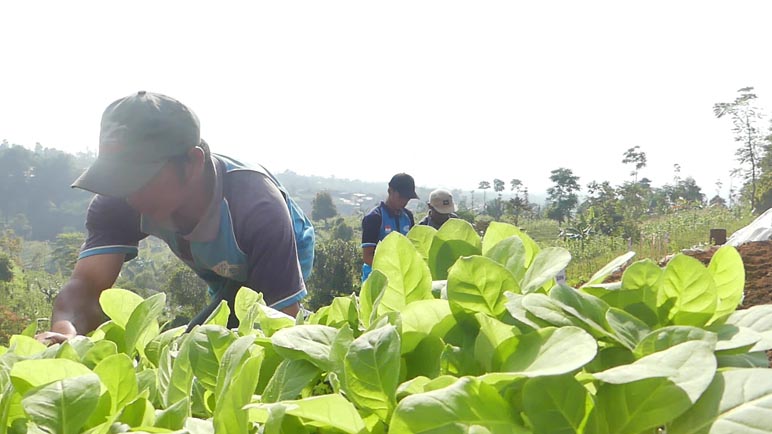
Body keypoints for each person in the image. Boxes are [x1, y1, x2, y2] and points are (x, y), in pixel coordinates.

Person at [36, 91, 314, 344]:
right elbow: (87, 286)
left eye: (140, 178)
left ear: (192, 163)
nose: (129, 195)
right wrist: (65, 334)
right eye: (118, 178)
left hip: (280, 243)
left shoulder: (258, 208)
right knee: (210, 333)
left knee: (247, 334)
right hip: (215, 259)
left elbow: (279, 320)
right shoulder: (118, 198)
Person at [360, 173, 417, 281]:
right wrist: (392, 271)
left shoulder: (408, 217)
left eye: (407, 198)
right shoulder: (374, 218)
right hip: (376, 280)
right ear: (390, 191)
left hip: (402, 279)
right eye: (401, 197)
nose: (404, 201)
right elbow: (367, 257)